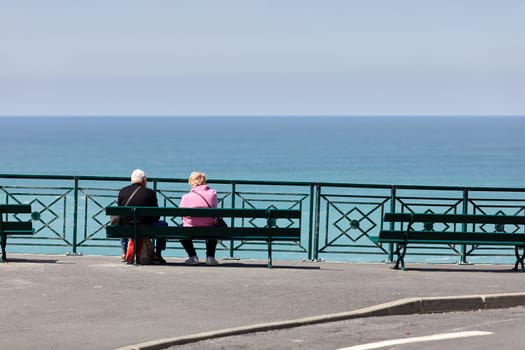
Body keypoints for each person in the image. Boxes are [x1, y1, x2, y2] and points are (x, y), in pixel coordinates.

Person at [118, 168, 167, 264]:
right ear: (144, 179)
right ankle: (158, 254)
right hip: (146, 228)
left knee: (122, 223)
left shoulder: (122, 191)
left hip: (127, 228)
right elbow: (156, 215)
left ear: (132, 179)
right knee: (163, 224)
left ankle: (124, 252)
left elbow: (120, 214)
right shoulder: (150, 193)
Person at [179, 171, 219, 265]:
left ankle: (193, 257)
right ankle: (210, 257)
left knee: (180, 229)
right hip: (210, 229)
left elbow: (181, 214)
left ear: (191, 182)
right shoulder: (213, 193)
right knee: (215, 226)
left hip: (190, 229)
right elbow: (214, 211)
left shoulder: (186, 197)